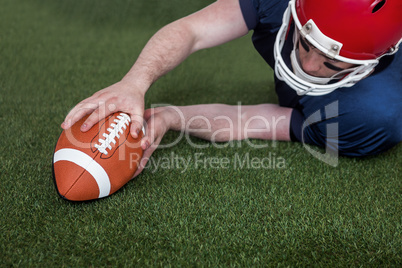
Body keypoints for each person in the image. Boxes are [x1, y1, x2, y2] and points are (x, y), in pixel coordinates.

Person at [61, 0, 402, 175]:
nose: (309, 66)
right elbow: (191, 31)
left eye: (331, 62)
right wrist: (135, 83)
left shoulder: (369, 113)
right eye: (306, 43)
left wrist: (175, 117)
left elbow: (253, 120)